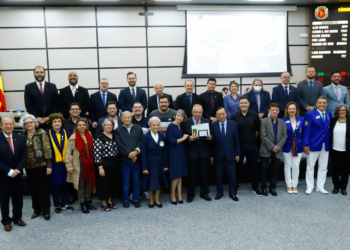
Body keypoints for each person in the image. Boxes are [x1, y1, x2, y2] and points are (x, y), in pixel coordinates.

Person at [19, 114, 52, 220]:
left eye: (30, 122)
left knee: (44, 189)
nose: (28, 124)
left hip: (41, 165)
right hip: (28, 166)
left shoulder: (41, 132)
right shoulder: (21, 135)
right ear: (24, 125)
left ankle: (46, 210)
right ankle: (36, 209)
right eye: (26, 123)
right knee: (33, 190)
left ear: (34, 123)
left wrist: (49, 165)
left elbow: (47, 149)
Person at [230, 96, 261, 196]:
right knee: (237, 168)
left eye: (245, 103)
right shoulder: (234, 117)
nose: (243, 105)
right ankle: (235, 187)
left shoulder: (254, 115)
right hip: (238, 147)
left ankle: (255, 187)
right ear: (239, 104)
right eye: (241, 103)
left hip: (252, 146)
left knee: (254, 167)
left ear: (249, 104)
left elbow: (257, 130)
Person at [0, 117, 27, 232]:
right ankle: (6, 221)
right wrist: (9, 171)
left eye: (10, 124)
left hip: (18, 174)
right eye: (5, 124)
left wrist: (17, 170)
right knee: (4, 199)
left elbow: (24, 155)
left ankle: (17, 218)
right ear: (1, 126)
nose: (8, 126)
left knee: (18, 198)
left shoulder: (19, 137)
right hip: (3, 175)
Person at [65, 118, 97, 213]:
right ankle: (82, 203)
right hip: (78, 164)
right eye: (79, 125)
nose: (82, 126)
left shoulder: (90, 135)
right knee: (80, 185)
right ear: (76, 127)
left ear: (86, 126)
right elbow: (67, 154)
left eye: (83, 125)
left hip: (90, 164)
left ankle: (88, 202)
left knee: (89, 184)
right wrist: (69, 166)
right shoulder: (73, 137)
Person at [183, 104, 212, 202]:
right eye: (196, 112)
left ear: (202, 113)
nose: (198, 114)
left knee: (205, 175)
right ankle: (190, 194)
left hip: (204, 153)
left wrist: (211, 137)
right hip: (192, 153)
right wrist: (189, 138)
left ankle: (205, 193)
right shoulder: (186, 122)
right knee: (192, 175)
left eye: (200, 112)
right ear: (192, 112)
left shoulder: (207, 121)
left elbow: (212, 133)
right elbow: (183, 135)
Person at [303, 96, 332, 194]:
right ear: (316, 104)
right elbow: (306, 131)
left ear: (327, 104)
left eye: (324, 102)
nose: (322, 104)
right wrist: (306, 144)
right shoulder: (310, 114)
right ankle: (310, 186)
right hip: (313, 143)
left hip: (325, 143)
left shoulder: (329, 113)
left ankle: (320, 186)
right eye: (320, 102)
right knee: (310, 166)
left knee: (323, 166)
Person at [211, 107, 240, 201]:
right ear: (216, 116)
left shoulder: (233, 124)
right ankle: (220, 192)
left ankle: (232, 193)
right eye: (219, 114)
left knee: (232, 175)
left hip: (231, 154)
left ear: (226, 114)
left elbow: (237, 140)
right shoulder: (213, 125)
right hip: (218, 154)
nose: (221, 116)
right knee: (218, 175)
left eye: (223, 114)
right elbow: (212, 142)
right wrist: (211, 155)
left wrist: (237, 154)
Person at [115, 111, 144, 208]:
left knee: (136, 181)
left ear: (131, 118)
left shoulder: (138, 128)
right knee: (126, 182)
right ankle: (126, 199)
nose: (127, 119)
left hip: (137, 160)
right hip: (125, 161)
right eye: (125, 117)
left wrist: (136, 152)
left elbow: (141, 141)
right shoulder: (118, 130)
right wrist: (129, 154)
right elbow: (119, 145)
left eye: (129, 117)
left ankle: (135, 199)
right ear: (122, 119)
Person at [47, 113, 74, 213]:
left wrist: (71, 156)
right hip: (54, 164)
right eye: (55, 122)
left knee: (65, 184)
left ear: (62, 123)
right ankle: (57, 205)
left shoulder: (67, 133)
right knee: (55, 185)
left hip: (65, 163)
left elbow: (72, 147)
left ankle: (65, 203)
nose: (57, 123)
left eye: (59, 121)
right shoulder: (47, 134)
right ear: (51, 123)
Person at [259, 103, 287, 196]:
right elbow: (263, 136)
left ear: (279, 111)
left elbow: (284, 135)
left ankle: (272, 188)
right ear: (269, 110)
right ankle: (263, 188)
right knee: (264, 170)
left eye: (276, 110)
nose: (275, 111)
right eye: (273, 109)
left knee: (275, 170)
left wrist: (278, 146)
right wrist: (272, 147)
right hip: (266, 149)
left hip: (278, 150)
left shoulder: (282, 122)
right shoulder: (263, 121)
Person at [141, 117, 168, 208]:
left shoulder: (161, 136)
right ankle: (151, 200)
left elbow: (164, 151)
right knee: (151, 182)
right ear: (150, 126)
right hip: (150, 163)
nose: (156, 126)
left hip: (160, 162)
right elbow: (143, 153)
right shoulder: (145, 137)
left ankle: (157, 199)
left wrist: (165, 165)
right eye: (154, 125)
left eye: (157, 125)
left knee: (158, 181)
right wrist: (144, 167)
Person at [93, 118, 119, 211]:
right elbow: (97, 154)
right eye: (107, 125)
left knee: (112, 182)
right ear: (103, 126)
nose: (109, 126)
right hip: (104, 163)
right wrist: (100, 168)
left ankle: (110, 201)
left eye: (111, 125)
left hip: (114, 162)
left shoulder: (115, 136)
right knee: (104, 183)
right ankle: (103, 203)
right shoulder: (99, 138)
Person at [280, 102, 305, 194]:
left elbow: (304, 133)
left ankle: (295, 185)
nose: (292, 110)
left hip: (298, 146)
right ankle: (288, 185)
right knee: (287, 165)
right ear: (287, 110)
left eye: (294, 108)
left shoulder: (302, 119)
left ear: (296, 110)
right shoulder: (282, 120)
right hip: (287, 145)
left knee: (295, 166)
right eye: (290, 108)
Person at [166, 109, 189, 205]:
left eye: (181, 116)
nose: (180, 118)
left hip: (181, 151)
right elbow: (171, 141)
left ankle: (179, 195)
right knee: (175, 175)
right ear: (175, 116)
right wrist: (183, 138)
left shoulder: (181, 126)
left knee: (180, 176)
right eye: (178, 115)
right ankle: (172, 195)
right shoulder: (171, 126)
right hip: (173, 152)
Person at [329, 104, 350, 195]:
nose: (342, 112)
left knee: (345, 170)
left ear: (346, 112)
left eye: (344, 110)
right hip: (335, 150)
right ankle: (336, 186)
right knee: (335, 170)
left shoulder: (349, 121)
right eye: (340, 110)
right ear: (337, 112)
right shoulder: (333, 121)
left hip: (346, 150)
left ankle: (343, 188)